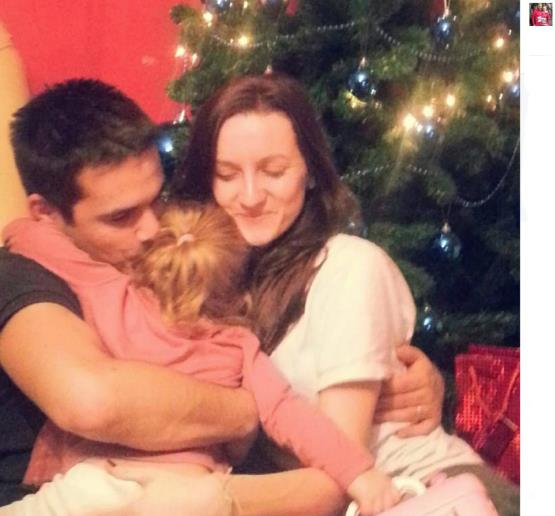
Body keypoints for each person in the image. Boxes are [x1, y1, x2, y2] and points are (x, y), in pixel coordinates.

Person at [0, 78, 443, 514]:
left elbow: (330, 481)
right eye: (121, 217)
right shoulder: (26, 273)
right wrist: (248, 410)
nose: (152, 228)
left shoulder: (205, 261)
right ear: (46, 215)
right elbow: (92, 402)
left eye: (157, 199)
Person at [173, 73, 520, 515]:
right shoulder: (199, 277)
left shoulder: (348, 267)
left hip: (424, 491)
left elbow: (338, 476)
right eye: (227, 175)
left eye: (274, 172)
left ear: (310, 173)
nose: (250, 195)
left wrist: (198, 499)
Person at [2, 202, 400, 515]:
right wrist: (360, 474)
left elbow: (33, 238)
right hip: (178, 492)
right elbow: (291, 416)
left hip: (91, 478)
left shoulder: (110, 291)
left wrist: (21, 225)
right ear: (236, 291)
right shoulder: (238, 346)